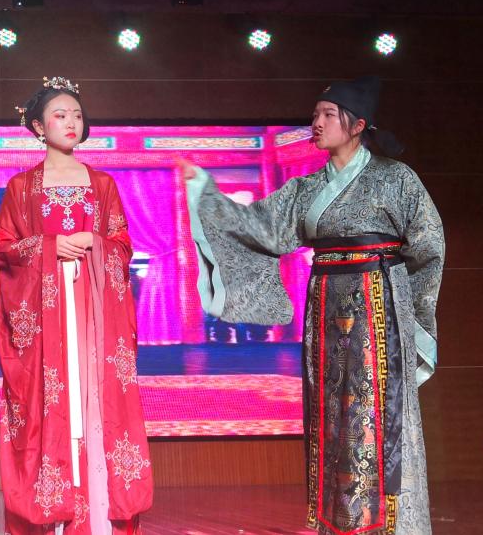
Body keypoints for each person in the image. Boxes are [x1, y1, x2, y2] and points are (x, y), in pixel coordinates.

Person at [181, 75, 444, 535]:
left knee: (381, 416)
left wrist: (413, 316)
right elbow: (258, 226)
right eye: (315, 114)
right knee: (333, 416)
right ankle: (339, 523)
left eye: (327, 114)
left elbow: (428, 248)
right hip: (326, 306)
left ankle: (394, 526)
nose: (315, 123)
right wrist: (204, 189)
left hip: (380, 306)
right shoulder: (305, 189)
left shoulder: (396, 179)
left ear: (358, 124)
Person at [0, 77, 152, 534]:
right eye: (59, 115)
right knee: (54, 403)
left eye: (77, 115)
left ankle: (98, 514)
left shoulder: (102, 184)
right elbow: (3, 248)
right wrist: (48, 246)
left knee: (96, 401)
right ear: (38, 127)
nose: (71, 122)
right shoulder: (21, 187)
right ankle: (55, 514)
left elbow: (122, 245)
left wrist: (94, 243)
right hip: (46, 315)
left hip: (94, 312)